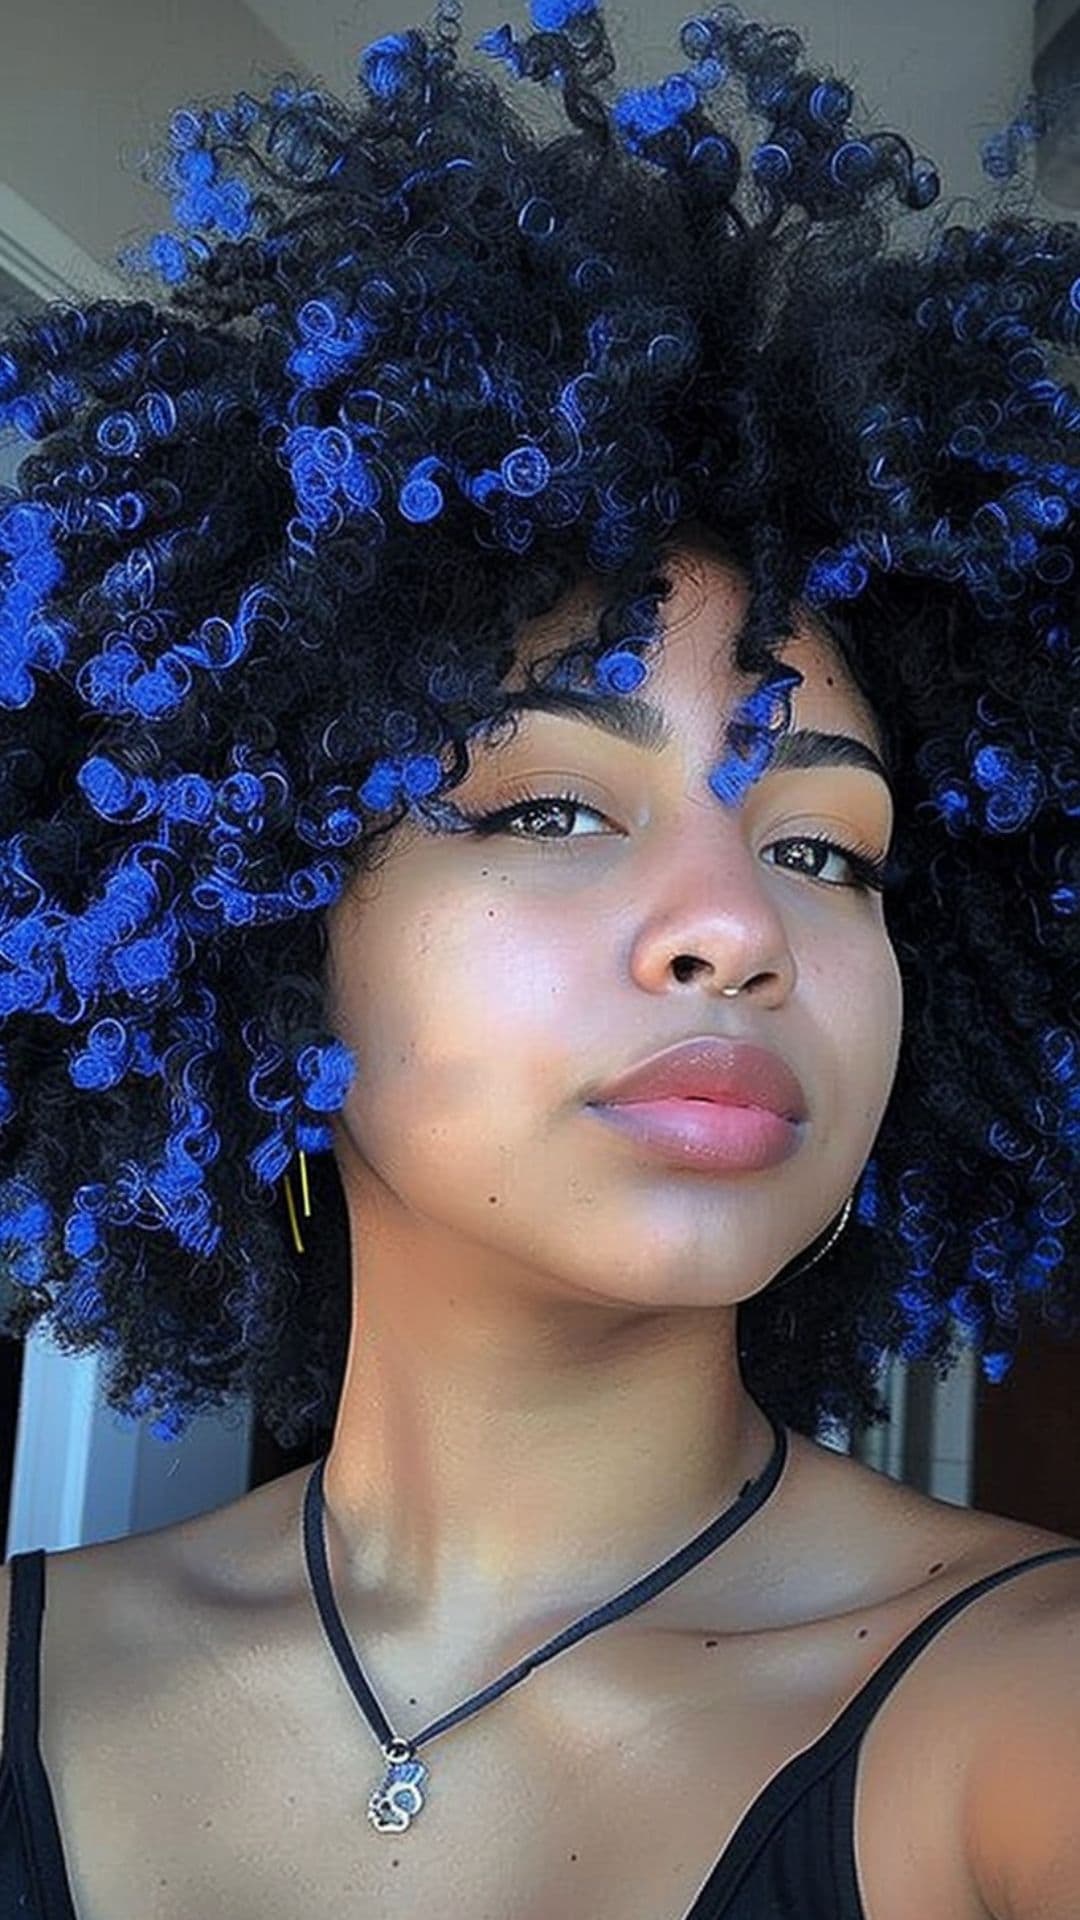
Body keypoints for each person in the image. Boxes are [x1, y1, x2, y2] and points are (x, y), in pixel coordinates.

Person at [0, 0, 1078, 1913]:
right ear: (260, 929)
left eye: (830, 850)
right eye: (550, 811)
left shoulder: (1026, 1718)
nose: (742, 928)